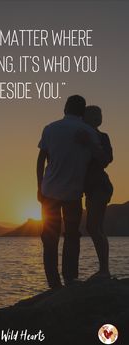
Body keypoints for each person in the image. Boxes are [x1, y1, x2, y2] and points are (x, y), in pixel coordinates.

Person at [37, 95, 108, 289]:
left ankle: (53, 284)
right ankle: (70, 278)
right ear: (82, 111)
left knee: (49, 237)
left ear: (65, 108)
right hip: (73, 193)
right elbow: (102, 160)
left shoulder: (50, 128)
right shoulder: (88, 131)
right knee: (71, 235)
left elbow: (41, 158)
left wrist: (39, 185)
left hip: (49, 191)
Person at [82, 106, 113, 279]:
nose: (97, 116)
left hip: (100, 186)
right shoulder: (79, 134)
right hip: (89, 189)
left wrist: (90, 143)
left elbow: (105, 160)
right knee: (95, 226)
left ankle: (104, 270)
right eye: (92, 113)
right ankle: (104, 270)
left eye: (99, 113)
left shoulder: (102, 137)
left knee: (94, 226)